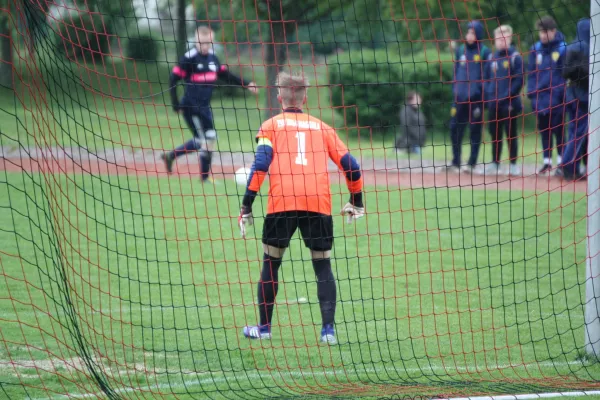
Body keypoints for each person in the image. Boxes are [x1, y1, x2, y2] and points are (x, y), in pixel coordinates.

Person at [237, 71, 365, 344]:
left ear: (279, 96)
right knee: (322, 265)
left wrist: (246, 205)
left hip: (282, 201)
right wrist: (357, 201)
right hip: (317, 202)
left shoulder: (270, 125)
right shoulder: (323, 127)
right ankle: (328, 331)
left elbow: (260, 165)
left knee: (271, 262)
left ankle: (264, 329)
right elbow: (352, 166)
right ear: (305, 97)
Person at [161, 26, 258, 182]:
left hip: (204, 108)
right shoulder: (188, 58)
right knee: (207, 139)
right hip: (191, 107)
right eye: (202, 43)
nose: (205, 46)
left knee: (204, 140)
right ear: (196, 41)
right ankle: (204, 178)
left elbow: (226, 75)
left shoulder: (213, 58)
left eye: (208, 43)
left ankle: (171, 156)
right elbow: (173, 79)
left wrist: (246, 84)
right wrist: (175, 105)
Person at [449, 21, 491, 173]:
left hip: (476, 99)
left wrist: (481, 96)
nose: (469, 35)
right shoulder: (460, 50)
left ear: (478, 34)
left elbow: (488, 78)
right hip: (459, 98)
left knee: (475, 130)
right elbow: (456, 72)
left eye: (473, 33)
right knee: (454, 128)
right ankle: (456, 162)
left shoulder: (485, 52)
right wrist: (455, 90)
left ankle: (471, 163)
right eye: (468, 32)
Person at [526, 16, 567, 174]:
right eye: (541, 32)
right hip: (540, 97)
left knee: (558, 129)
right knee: (544, 129)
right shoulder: (535, 49)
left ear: (553, 31)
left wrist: (560, 92)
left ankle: (562, 162)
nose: (542, 35)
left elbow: (564, 74)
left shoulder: (563, 48)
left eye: (545, 32)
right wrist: (531, 91)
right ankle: (547, 161)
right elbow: (531, 73)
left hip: (557, 97)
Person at [482, 25, 524, 176]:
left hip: (510, 104)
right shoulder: (491, 58)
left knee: (511, 133)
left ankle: (513, 164)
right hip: (494, 104)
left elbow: (519, 81)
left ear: (510, 38)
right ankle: (495, 163)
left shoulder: (515, 57)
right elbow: (486, 79)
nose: (501, 41)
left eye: (504, 37)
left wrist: (506, 96)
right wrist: (489, 94)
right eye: (499, 38)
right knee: (495, 133)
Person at [557, 18, 590, 180]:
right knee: (579, 133)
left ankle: (571, 165)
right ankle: (568, 165)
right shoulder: (587, 47)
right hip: (582, 97)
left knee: (573, 132)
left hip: (570, 95)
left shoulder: (570, 46)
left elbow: (564, 72)